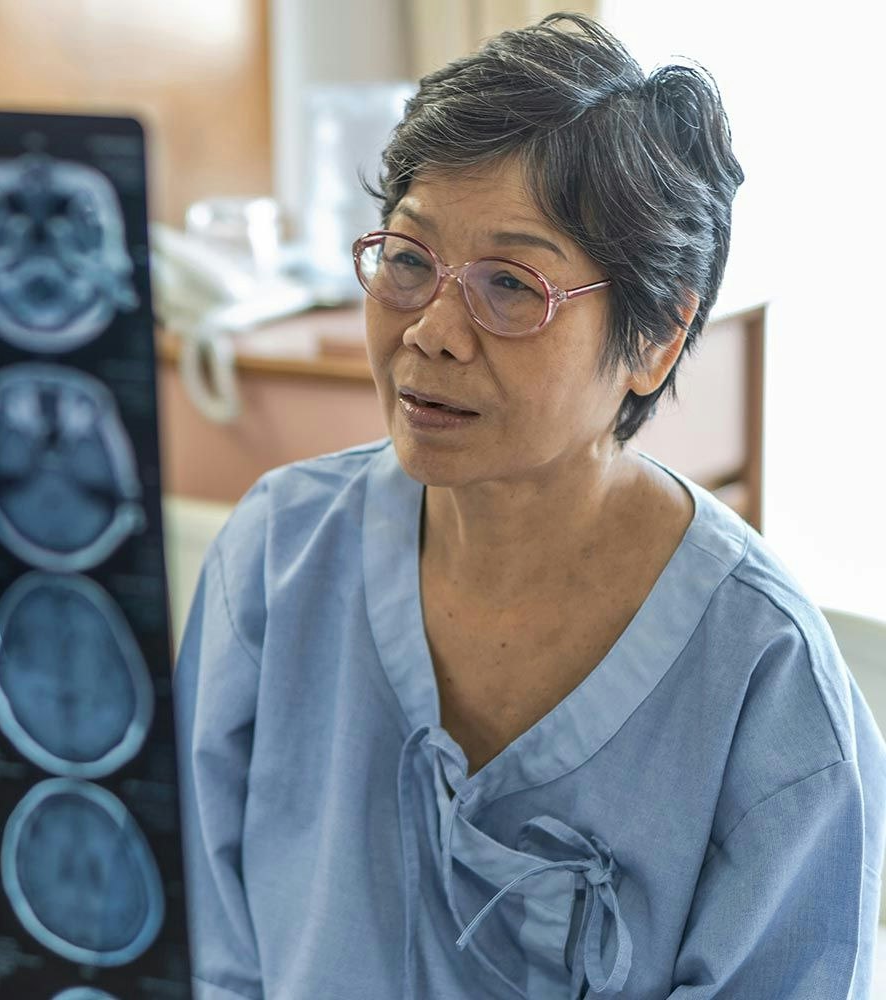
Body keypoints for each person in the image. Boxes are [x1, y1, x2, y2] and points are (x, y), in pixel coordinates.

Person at [174, 12, 886, 999]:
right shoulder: (275, 557)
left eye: (510, 284)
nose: (432, 330)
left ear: (656, 336)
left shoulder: (769, 691)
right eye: (408, 258)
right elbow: (205, 952)